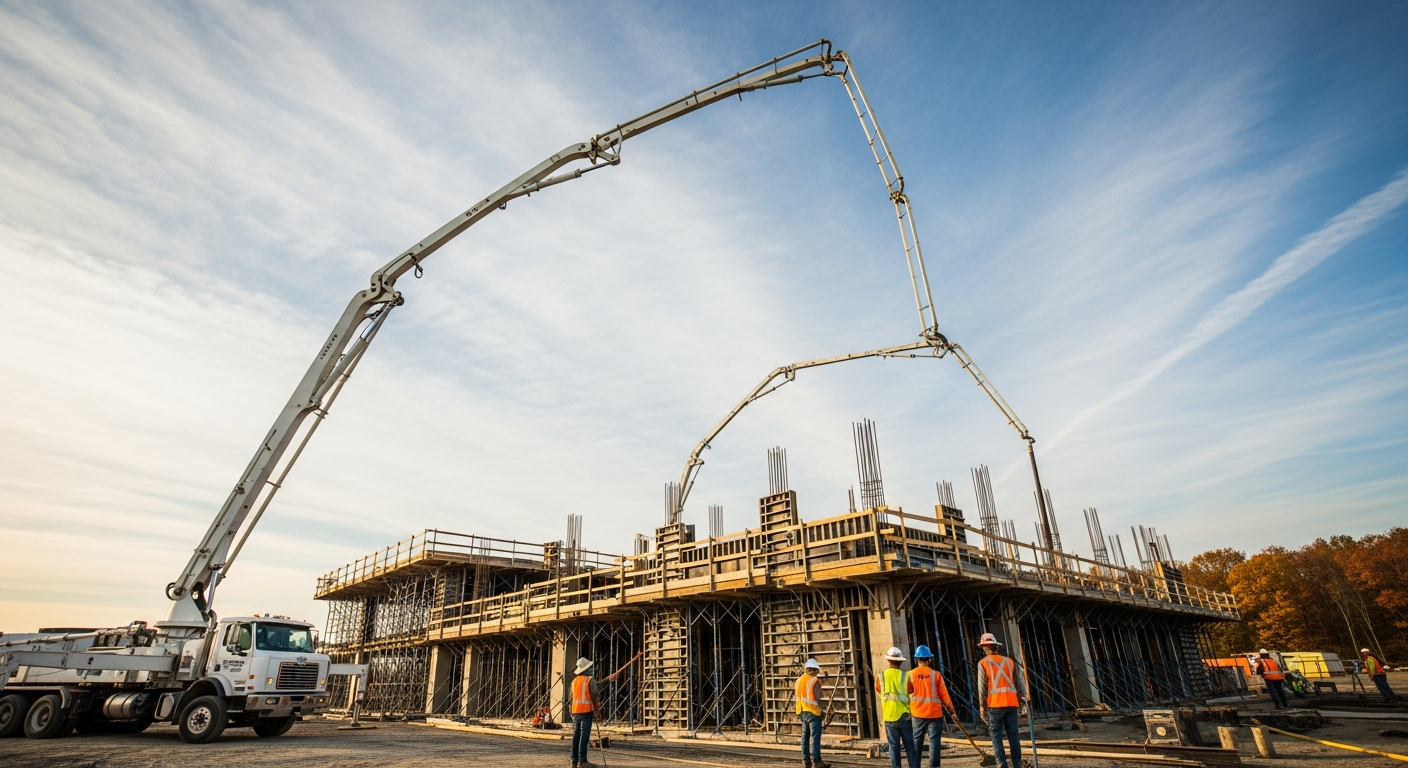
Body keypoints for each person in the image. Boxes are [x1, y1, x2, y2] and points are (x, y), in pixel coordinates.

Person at [976, 633, 1028, 768]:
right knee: (1013, 735)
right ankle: (1017, 764)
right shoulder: (1009, 661)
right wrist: (1024, 698)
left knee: (996, 736)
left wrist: (982, 706)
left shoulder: (983, 663)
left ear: (984, 648)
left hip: (995, 705)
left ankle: (1002, 764)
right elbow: (1020, 682)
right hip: (1011, 703)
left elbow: (982, 688)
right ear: (995, 647)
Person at [569, 656, 622, 768]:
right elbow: (594, 694)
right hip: (586, 711)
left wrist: (608, 679)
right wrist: (597, 710)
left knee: (576, 735)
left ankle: (574, 760)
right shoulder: (589, 680)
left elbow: (572, 696)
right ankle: (582, 761)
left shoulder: (574, 681)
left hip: (576, 711)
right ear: (586, 669)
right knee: (584, 736)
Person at [908, 645, 954, 768]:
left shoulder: (910, 675)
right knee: (934, 742)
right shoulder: (936, 675)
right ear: (929, 660)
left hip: (917, 713)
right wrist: (951, 711)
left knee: (917, 741)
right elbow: (944, 695)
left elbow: (905, 694)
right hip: (935, 713)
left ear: (916, 659)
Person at [875, 646, 919, 768]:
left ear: (888, 661)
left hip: (889, 716)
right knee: (910, 747)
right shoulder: (905, 676)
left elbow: (878, 689)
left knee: (894, 747)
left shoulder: (881, 676)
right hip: (904, 716)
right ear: (900, 661)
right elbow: (911, 689)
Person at [796, 658, 829, 768]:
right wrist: (824, 711)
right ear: (814, 670)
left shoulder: (798, 680)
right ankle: (817, 761)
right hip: (813, 712)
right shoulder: (814, 681)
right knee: (815, 737)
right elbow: (819, 699)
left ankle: (806, 760)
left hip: (801, 711)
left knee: (805, 736)